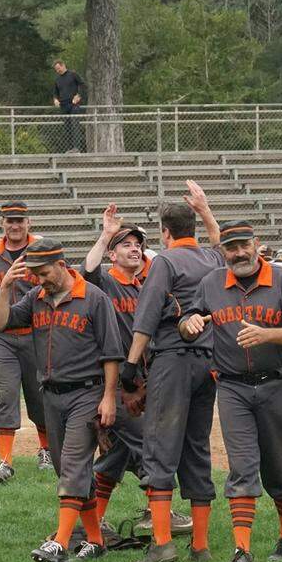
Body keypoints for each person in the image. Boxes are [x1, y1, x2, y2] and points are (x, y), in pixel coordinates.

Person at [180, 221, 282, 562]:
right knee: (241, 465)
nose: (238, 252)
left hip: (276, 385)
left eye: (244, 245)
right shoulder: (211, 283)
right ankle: (242, 549)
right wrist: (189, 323)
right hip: (233, 387)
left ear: (257, 244)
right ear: (222, 251)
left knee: (280, 465)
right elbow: (190, 315)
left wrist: (267, 335)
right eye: (231, 247)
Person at [0, 238, 122, 562]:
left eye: (44, 272)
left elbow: (112, 355)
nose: (39, 279)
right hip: (51, 394)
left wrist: (108, 397)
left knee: (74, 463)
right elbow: (0, 323)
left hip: (86, 393)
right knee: (67, 468)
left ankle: (60, 543)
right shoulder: (35, 298)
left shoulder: (94, 298)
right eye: (34, 274)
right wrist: (6, 286)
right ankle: (95, 540)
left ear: (62, 265)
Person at [122, 182, 223, 562]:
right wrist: (206, 208)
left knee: (161, 446)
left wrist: (132, 365)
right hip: (208, 362)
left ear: (165, 232)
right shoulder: (211, 260)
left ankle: (162, 543)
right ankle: (200, 545)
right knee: (197, 447)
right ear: (192, 227)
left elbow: (146, 319)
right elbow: (220, 244)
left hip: (173, 360)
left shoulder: (164, 262)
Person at [81, 205, 192, 543]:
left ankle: (94, 521)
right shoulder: (105, 284)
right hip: (115, 379)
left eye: (138, 244)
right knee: (150, 441)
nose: (135, 249)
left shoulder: (148, 283)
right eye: (126, 244)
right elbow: (87, 272)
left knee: (117, 455)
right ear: (112, 254)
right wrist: (105, 235)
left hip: (147, 377)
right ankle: (158, 510)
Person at [0, 202, 51, 482]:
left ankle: (46, 450)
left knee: (40, 395)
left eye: (20, 220)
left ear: (29, 222)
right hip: (3, 336)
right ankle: (5, 461)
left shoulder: (42, 253)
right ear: (2, 223)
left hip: (35, 334)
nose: (15, 225)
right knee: (5, 396)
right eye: (9, 220)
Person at [51, 60, 86, 153]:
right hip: (63, 105)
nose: (58, 71)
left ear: (63, 65)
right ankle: (69, 148)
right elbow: (55, 93)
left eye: (58, 68)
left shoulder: (73, 74)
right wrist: (55, 100)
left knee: (75, 125)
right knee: (67, 127)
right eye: (56, 70)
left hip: (74, 104)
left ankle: (76, 148)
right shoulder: (57, 80)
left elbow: (82, 85)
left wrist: (79, 95)